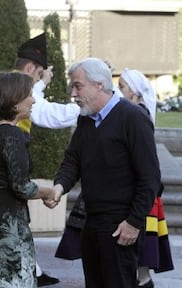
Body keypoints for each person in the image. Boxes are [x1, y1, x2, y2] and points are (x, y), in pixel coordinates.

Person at [51, 57, 162, 288]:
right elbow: (73, 160)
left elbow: (150, 177)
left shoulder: (133, 117)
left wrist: (133, 222)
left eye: (78, 85)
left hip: (121, 223)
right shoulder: (86, 120)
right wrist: (59, 186)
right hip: (91, 221)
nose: (73, 92)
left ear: (99, 84)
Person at [0, 70, 57, 287]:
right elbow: (22, 187)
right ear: (14, 102)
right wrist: (49, 192)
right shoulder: (12, 136)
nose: (33, 99)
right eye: (29, 94)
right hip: (9, 231)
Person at [14, 32, 80, 286]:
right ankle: (29, 271)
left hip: (12, 151)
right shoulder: (19, 89)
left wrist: (42, 83)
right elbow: (47, 114)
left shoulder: (15, 84)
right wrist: (88, 106)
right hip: (10, 151)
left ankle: (33, 269)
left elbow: (35, 99)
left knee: (18, 219)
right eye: (38, 73)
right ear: (31, 67)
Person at [119, 68, 174, 288]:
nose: (118, 92)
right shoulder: (137, 112)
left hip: (139, 190)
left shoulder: (138, 115)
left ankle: (142, 281)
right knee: (138, 253)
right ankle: (142, 280)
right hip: (139, 189)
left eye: (122, 88)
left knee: (139, 247)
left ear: (134, 93)